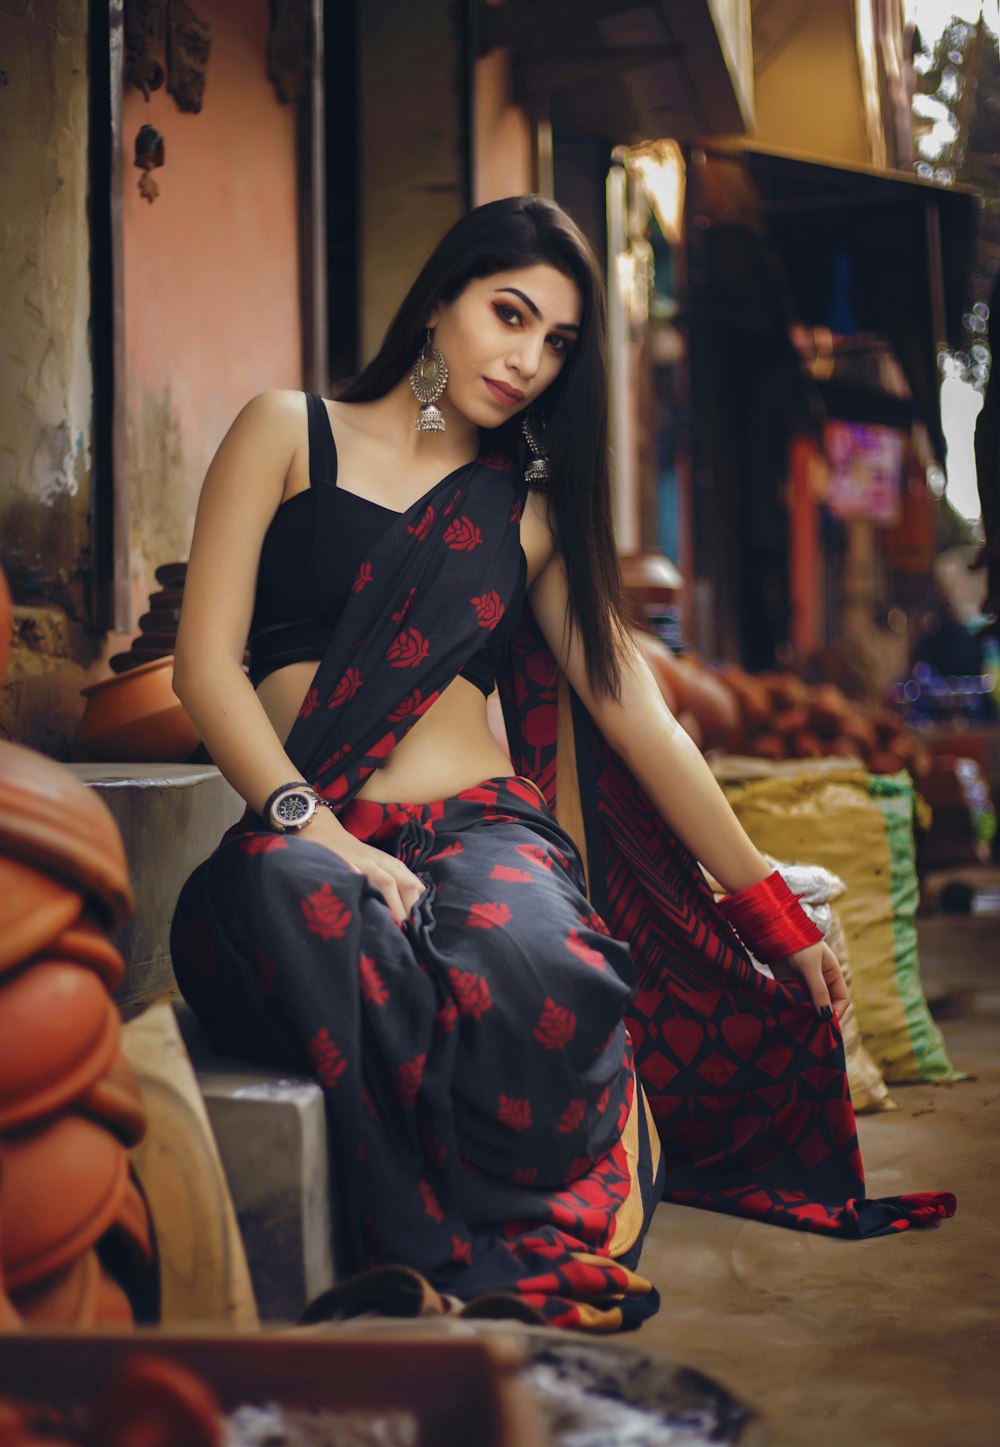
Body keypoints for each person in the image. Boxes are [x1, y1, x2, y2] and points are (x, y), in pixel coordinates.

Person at [170, 197, 953, 1334]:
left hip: (480, 832)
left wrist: (764, 906)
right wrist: (312, 822)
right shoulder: (286, 431)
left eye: (557, 343)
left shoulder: (524, 513)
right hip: (309, 831)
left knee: (549, 959)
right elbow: (203, 669)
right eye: (509, 315)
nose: (528, 359)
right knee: (306, 899)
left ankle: (560, 1180)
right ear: (440, 296)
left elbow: (640, 717)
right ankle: (437, 1246)